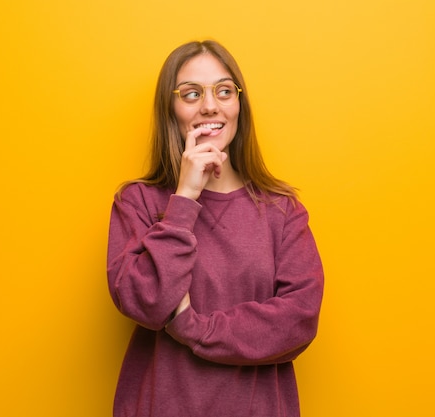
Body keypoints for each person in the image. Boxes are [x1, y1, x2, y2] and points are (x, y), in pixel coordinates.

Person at [107, 40, 324, 417]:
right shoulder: (138, 202)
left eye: (224, 91)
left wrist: (194, 327)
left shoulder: (283, 212)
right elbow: (145, 301)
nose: (210, 105)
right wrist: (186, 198)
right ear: (170, 110)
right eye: (191, 94)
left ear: (239, 105)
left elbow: (298, 319)